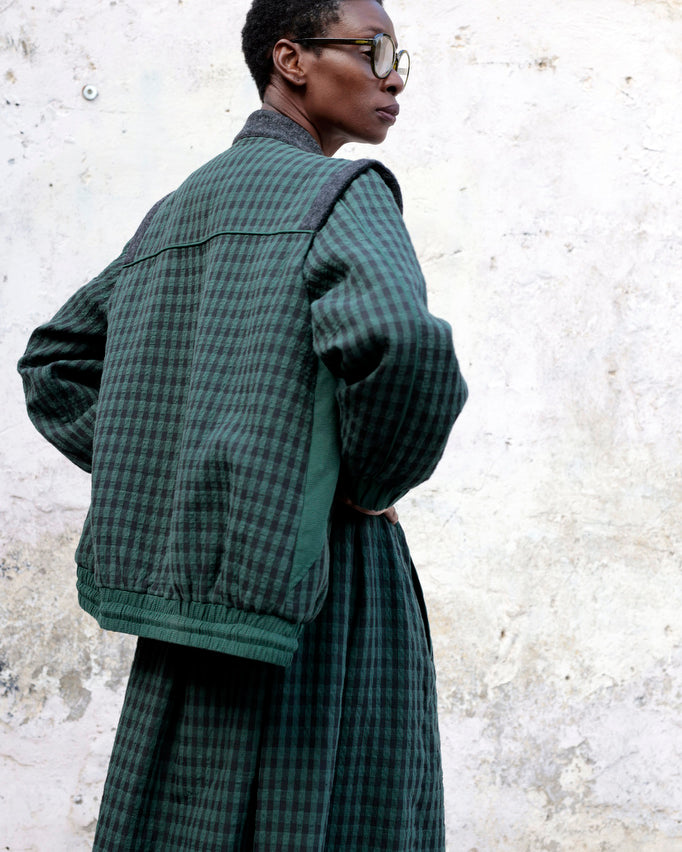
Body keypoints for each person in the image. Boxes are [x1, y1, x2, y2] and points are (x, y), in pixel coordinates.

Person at [17, 0, 468, 848]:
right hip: (324, 591)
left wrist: (176, 471)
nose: (394, 73)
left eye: (397, 54)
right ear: (291, 59)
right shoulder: (343, 195)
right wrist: (363, 483)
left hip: (192, 604)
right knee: (336, 815)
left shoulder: (176, 213)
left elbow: (55, 365)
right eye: (371, 51)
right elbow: (403, 345)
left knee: (184, 821)